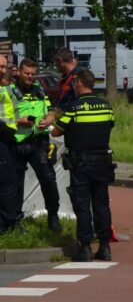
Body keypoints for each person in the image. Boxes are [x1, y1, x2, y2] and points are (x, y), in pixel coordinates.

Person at [50, 70, 115, 262]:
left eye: (74, 83)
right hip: (102, 163)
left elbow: (56, 131)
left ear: (79, 84)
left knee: (82, 205)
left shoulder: (74, 108)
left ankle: (85, 247)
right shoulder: (106, 106)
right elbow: (110, 124)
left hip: (81, 164)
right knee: (102, 204)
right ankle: (105, 246)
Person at [12, 58, 61, 232]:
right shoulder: (9, 91)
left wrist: (48, 119)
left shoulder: (39, 89)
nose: (29, 77)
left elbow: (51, 111)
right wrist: (20, 121)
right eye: (26, 73)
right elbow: (3, 118)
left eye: (33, 74)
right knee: (15, 184)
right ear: (19, 71)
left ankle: (53, 216)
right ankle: (15, 220)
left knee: (48, 179)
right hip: (16, 143)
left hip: (39, 141)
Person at [0, 55, 20, 234]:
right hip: (3, 138)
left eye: (5, 67)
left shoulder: (4, 87)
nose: (3, 70)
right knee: (8, 182)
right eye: (0, 66)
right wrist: (6, 132)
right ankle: (7, 225)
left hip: (7, 138)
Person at [51, 47, 83, 116]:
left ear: (60, 61)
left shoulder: (78, 77)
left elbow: (79, 104)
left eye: (55, 63)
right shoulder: (65, 77)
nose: (55, 66)